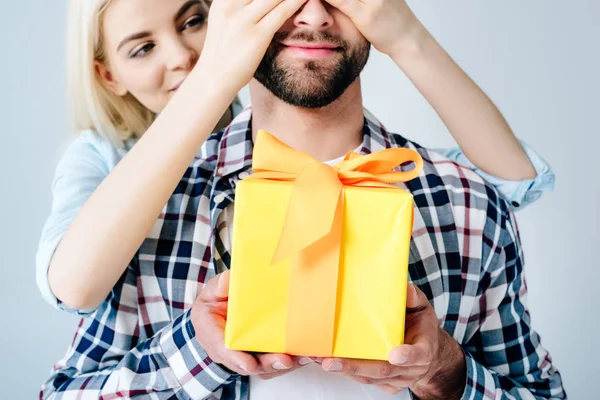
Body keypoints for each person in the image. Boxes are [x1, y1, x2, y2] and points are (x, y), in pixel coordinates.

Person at [39, 0, 563, 398]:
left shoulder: (469, 204)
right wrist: (195, 351)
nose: (313, 14)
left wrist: (448, 372)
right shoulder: (140, 211)